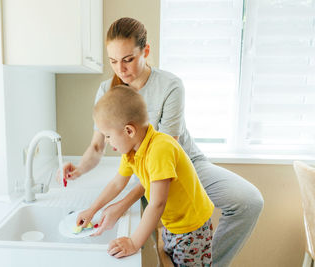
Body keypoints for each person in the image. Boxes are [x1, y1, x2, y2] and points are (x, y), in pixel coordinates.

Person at [61, 17, 264, 267]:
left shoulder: (170, 86)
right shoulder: (108, 93)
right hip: (146, 170)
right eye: (113, 61)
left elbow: (162, 166)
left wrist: (121, 206)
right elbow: (99, 149)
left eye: (128, 60)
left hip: (182, 162)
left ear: (145, 51)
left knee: (249, 202)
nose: (120, 70)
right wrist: (80, 171)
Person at [77, 85, 214, 265]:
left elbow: (157, 203)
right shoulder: (131, 151)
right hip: (172, 223)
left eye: (108, 136)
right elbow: (117, 183)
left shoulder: (160, 148)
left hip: (192, 229)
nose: (108, 142)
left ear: (129, 131)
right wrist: (92, 210)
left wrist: (133, 242)